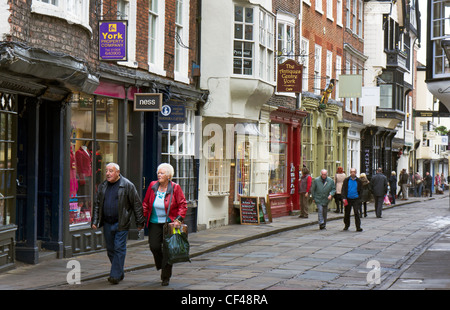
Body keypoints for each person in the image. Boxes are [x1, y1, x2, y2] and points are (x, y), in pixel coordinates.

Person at [91, 163, 145, 284]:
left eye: (111, 171)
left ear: (118, 172)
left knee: (119, 248)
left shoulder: (127, 185)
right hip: (107, 223)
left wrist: (140, 222)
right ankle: (119, 272)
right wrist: (95, 221)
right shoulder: (103, 186)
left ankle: (114, 275)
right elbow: (97, 205)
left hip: (121, 223)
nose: (108, 173)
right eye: (106, 171)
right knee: (110, 249)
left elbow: (136, 205)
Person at [143, 163, 187, 286]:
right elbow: (146, 203)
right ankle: (162, 264)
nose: (159, 175)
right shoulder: (153, 186)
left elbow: (183, 204)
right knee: (154, 246)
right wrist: (142, 218)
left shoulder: (175, 187)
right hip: (154, 223)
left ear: (168, 176)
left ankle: (165, 277)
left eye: (162, 173)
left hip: (169, 223)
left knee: (168, 250)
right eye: (158, 173)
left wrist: (178, 219)